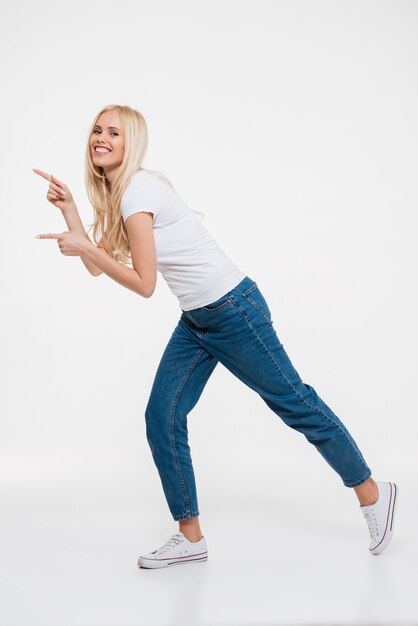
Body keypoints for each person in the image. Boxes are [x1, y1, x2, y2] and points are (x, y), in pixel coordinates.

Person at [33, 104, 399, 569]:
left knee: (295, 404)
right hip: (198, 320)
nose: (101, 138)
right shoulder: (123, 194)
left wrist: (86, 245)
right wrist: (71, 213)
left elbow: (144, 285)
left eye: (114, 133)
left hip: (233, 311)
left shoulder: (139, 191)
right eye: (97, 130)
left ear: (132, 144)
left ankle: (373, 493)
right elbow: (94, 265)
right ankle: (191, 538)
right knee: (162, 416)